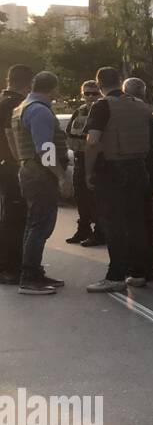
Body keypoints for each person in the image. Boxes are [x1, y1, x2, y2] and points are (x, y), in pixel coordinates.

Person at [83, 66, 153, 292]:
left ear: (99, 83)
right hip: (138, 169)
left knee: (113, 224)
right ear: (119, 81)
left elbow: (93, 141)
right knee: (135, 223)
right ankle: (138, 272)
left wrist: (88, 171)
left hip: (112, 171)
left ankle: (115, 276)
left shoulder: (102, 106)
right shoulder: (141, 107)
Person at [6, 71, 68, 294]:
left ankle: (32, 271)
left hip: (29, 169)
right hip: (40, 173)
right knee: (40, 225)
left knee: (34, 224)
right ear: (53, 89)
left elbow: (13, 143)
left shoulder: (20, 108)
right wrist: (61, 175)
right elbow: (45, 148)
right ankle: (30, 277)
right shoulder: (39, 111)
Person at [0, 64, 35, 284]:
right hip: (13, 168)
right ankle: (12, 268)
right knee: (16, 219)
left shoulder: (3, 101)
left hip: (5, 166)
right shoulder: (15, 106)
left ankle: (9, 266)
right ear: (28, 83)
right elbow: (12, 137)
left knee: (8, 217)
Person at [123, 77, 153, 281]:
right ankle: (147, 266)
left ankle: (138, 267)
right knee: (145, 221)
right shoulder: (147, 114)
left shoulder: (133, 114)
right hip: (147, 173)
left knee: (134, 222)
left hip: (135, 174)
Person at [65, 79, 104, 246]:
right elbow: (69, 133)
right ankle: (83, 229)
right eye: (86, 93)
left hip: (98, 161)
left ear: (100, 93)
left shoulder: (103, 110)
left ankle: (100, 232)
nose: (90, 97)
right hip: (80, 158)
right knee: (81, 197)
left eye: (94, 93)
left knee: (98, 199)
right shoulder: (79, 111)